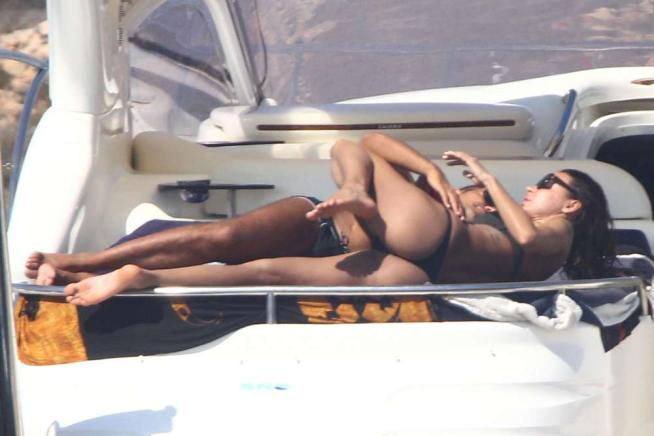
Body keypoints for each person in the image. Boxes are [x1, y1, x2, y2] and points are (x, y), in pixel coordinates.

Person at [34, 133, 615, 306]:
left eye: (548, 183)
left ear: (574, 206)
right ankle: (119, 271)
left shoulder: (555, 236)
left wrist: (481, 178)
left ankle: (356, 193)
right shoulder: (522, 240)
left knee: (348, 148)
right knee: (251, 263)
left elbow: (525, 235)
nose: (534, 187)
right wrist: (434, 178)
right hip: (402, 264)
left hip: (414, 243)